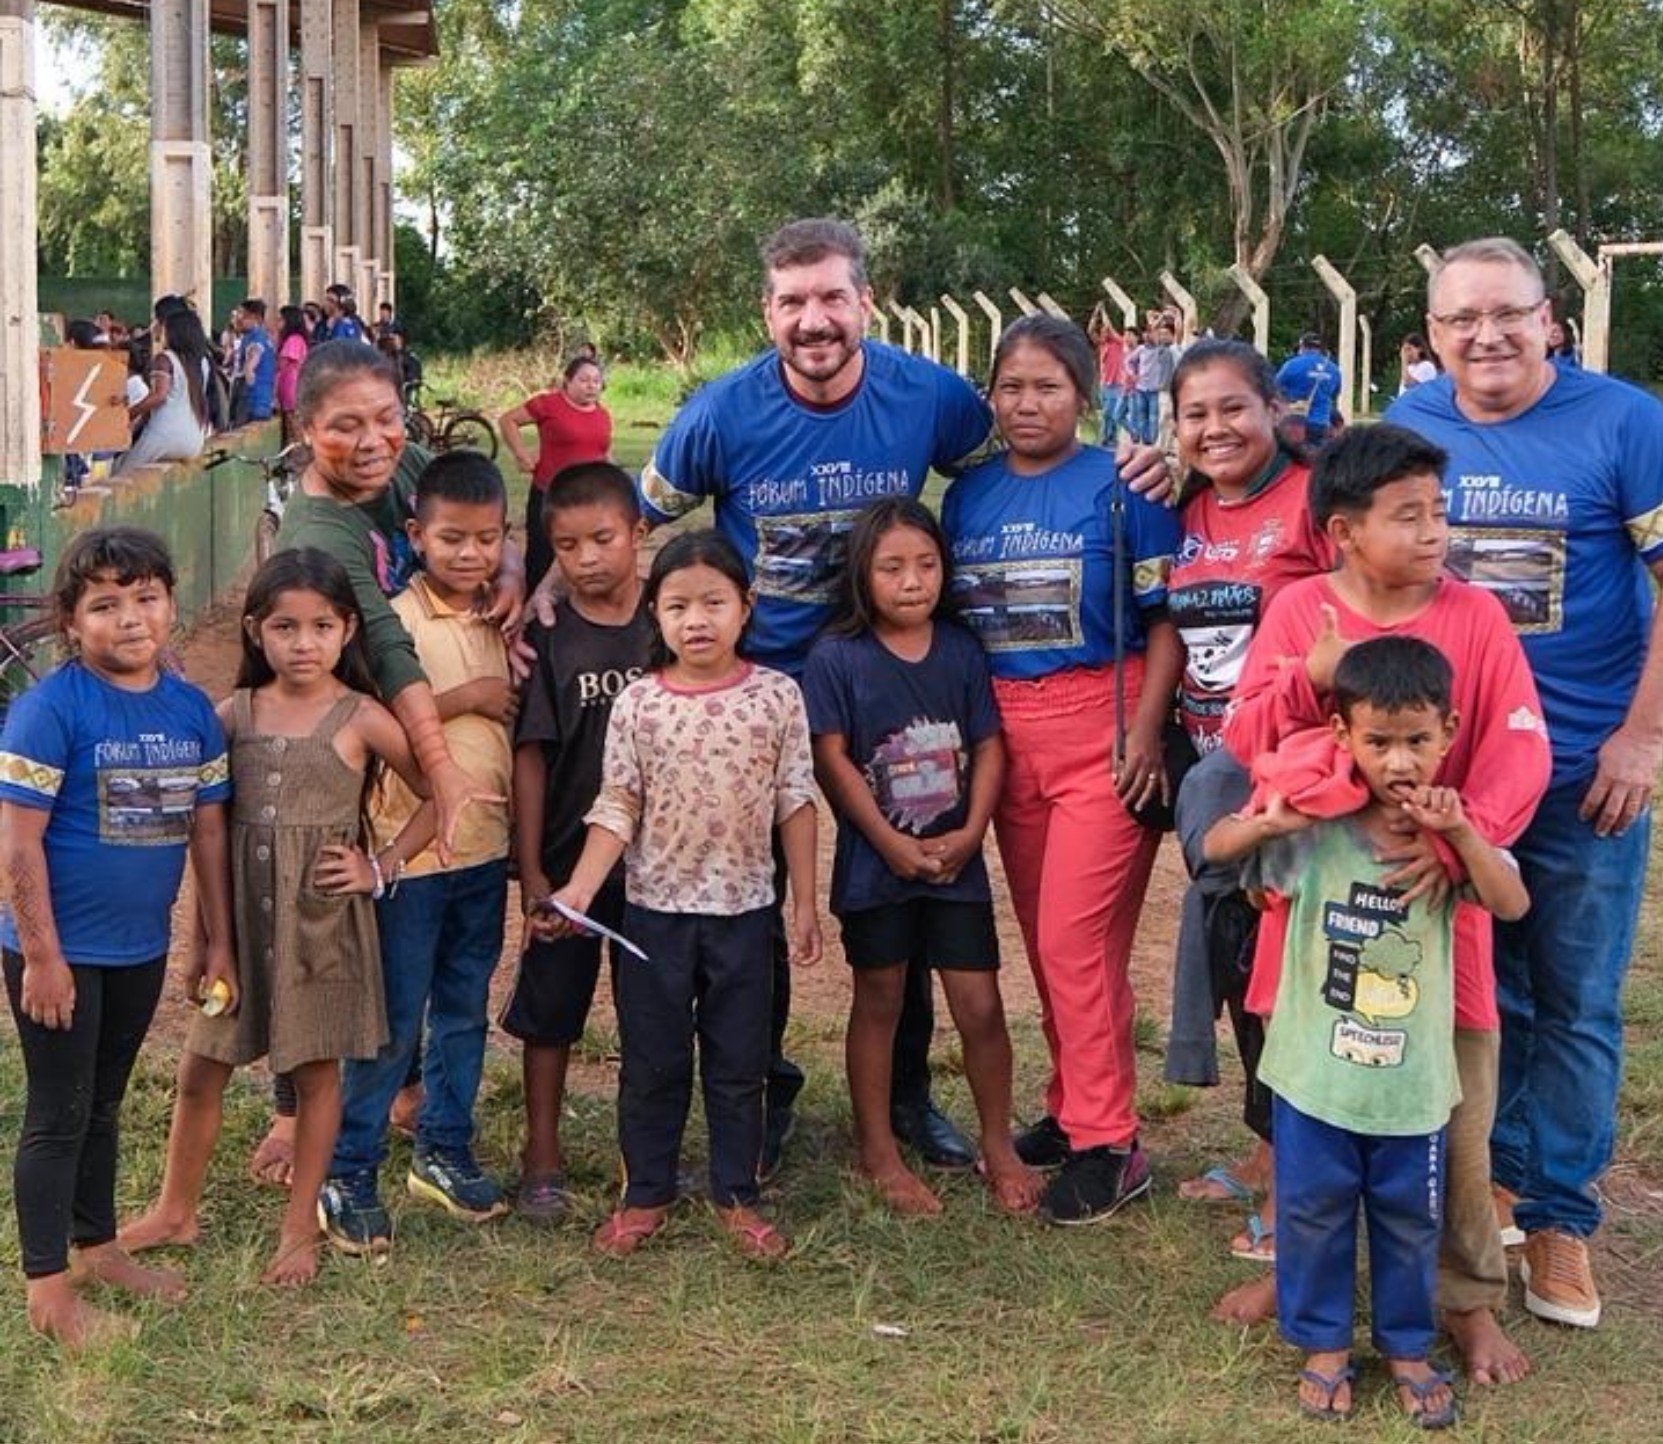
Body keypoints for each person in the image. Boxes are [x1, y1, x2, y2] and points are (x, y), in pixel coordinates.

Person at [619, 218, 1169, 1175]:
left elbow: (1023, 466)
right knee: (751, 897)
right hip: (762, 697)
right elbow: (633, 515)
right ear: (767, 312)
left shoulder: (933, 397)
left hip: (896, 688)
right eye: (793, 302)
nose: (814, 320)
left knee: (910, 878)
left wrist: (1144, 462)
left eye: (832, 297)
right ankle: (762, 1089)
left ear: (864, 303)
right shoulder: (719, 412)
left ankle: (912, 1097)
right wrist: (543, 579)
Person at [1222, 422, 1552, 1383]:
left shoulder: (1475, 618)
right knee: (1308, 1113)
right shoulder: (1298, 613)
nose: (1433, 531)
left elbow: (1517, 748)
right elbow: (1247, 739)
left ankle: (1467, 1301)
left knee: (1455, 1120)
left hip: (1437, 917)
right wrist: (1308, 678)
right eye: (1408, 515)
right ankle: (1297, 1278)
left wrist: (1456, 841)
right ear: (1342, 530)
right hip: (1318, 921)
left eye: (1438, 511)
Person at [1388, 236, 1663, 1332]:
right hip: (1456, 781)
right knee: (1477, 992)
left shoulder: (1625, 423)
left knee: (1575, 998)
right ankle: (1491, 1182)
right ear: (1432, 333)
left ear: (1550, 319)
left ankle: (1560, 1217)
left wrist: (1640, 739)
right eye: (1462, 319)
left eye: (1507, 314)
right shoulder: (1409, 424)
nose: (1487, 336)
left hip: (1587, 774)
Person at [1205, 636, 1530, 1427]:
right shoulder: (1313, 830)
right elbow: (1214, 850)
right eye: (1377, 742)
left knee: (1408, 1219)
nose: (1398, 761)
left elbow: (1511, 902)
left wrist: (1460, 837)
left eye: (1417, 740)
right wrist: (1266, 823)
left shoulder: (1448, 843)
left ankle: (1406, 1347)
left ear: (1449, 731)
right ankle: (1322, 1345)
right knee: (1311, 1211)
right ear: (1341, 735)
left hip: (1411, 1088)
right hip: (1313, 1079)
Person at [119, 549, 436, 1286]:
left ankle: (299, 1231)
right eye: (284, 627)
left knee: (316, 1075)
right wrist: (202, 941)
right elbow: (205, 834)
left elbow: (436, 793)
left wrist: (380, 867)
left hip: (320, 928)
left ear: (347, 629)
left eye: (321, 626)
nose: (303, 643)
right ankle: (174, 1211)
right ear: (255, 630)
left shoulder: (363, 716)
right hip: (236, 930)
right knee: (201, 1068)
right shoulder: (232, 715)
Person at [940, 314, 1183, 1224]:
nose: (1026, 404)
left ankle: (1109, 1144)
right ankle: (1074, 1103)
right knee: (1053, 943)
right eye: (1010, 387)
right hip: (1008, 743)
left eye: (1046, 386)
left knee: (1075, 942)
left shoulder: (1125, 486)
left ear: (1084, 393)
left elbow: (1163, 622)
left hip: (1103, 733)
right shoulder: (966, 497)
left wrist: (1144, 732)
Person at [546, 529, 821, 1261]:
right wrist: (578, 889)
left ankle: (737, 1193)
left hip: (746, 914)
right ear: (656, 614)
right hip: (653, 919)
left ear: (745, 607)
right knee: (652, 1060)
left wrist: (803, 904)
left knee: (740, 1061)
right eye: (677, 606)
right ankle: (646, 1193)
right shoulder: (639, 703)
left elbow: (795, 800)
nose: (696, 620)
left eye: (713, 603)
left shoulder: (777, 697)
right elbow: (617, 803)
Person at [0, 527, 233, 1346]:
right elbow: (18, 844)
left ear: (170, 602)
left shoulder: (192, 711)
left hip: (140, 950)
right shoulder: (50, 710)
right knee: (58, 1111)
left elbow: (208, 833)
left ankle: (97, 1249)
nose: (130, 618)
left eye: (145, 598)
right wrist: (42, 955)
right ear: (71, 621)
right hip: (60, 956)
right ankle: (48, 1292)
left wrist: (216, 941)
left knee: (103, 1103)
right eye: (104, 605)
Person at [803, 498, 1041, 1218]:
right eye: (892, 568)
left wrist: (971, 832)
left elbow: (988, 744)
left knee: (980, 1004)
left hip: (955, 865)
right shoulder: (836, 657)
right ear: (861, 575)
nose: (912, 582)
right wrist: (887, 840)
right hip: (876, 865)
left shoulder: (960, 650)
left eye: (927, 565)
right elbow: (830, 758)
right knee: (879, 999)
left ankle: (998, 1143)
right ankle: (878, 1150)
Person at [316, 454, 516, 1254]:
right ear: (415, 535)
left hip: (483, 854)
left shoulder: (502, 618)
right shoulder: (391, 622)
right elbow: (371, 718)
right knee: (394, 1022)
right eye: (452, 538)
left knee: (463, 1011)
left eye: (487, 540)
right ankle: (349, 1170)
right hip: (410, 863)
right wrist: (468, 698)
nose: (470, 554)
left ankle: (444, 1147)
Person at [1161, 339, 1333, 1253]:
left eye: (1233, 407)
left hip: (1290, 779)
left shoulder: (1314, 499)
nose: (1215, 427)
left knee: (1290, 971)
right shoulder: (1185, 509)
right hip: (1207, 771)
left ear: (1274, 408)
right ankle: (1269, 1144)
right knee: (1237, 959)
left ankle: (1306, 1172)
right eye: (1194, 413)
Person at [500, 462, 651, 1225]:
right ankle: (541, 1156)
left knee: (650, 1013)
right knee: (550, 1010)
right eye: (567, 546)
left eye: (602, 539)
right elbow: (530, 755)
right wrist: (532, 869)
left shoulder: (668, 619)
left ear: (638, 533)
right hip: (566, 861)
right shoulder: (550, 637)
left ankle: (645, 1157)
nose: (587, 558)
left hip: (657, 865)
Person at [499, 356, 614, 588]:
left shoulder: (602, 415)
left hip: (588, 501)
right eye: (584, 380)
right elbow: (508, 420)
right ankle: (528, 604)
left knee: (583, 558)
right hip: (549, 496)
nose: (591, 386)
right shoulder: (549, 404)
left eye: (596, 381)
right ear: (568, 381)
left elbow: (603, 453)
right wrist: (521, 454)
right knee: (540, 558)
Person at [114, 306, 213, 474]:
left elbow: (159, 396)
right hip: (195, 441)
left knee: (119, 472)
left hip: (164, 436)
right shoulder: (203, 363)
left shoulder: (165, 359)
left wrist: (126, 415)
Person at [1276, 333, 1343, 447]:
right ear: (1320, 348)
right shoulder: (1334, 369)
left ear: (1302, 346)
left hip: (1295, 422)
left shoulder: (1291, 365)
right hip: (1321, 423)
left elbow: (1274, 387)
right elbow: (1335, 393)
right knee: (1318, 454)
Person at [1087, 303, 1128, 444]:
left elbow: (1110, 327)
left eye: (1106, 331)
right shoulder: (1102, 344)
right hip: (1104, 383)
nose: (1104, 333)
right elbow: (1090, 331)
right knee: (1106, 413)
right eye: (1102, 332)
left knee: (1111, 412)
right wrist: (1095, 313)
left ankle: (1107, 438)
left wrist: (1104, 312)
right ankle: (1109, 438)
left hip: (1117, 383)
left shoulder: (1119, 342)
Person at [232, 298, 276, 426]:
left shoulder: (256, 340)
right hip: (262, 401)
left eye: (242, 315)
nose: (238, 319)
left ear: (255, 318)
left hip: (253, 404)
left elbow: (249, 368)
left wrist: (246, 391)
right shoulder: (262, 337)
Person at [275, 305, 310, 445]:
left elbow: (282, 363)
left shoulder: (294, 340)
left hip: (291, 390)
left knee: (294, 428)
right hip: (287, 390)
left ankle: (299, 455)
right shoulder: (290, 340)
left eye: (281, 320)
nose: (278, 323)